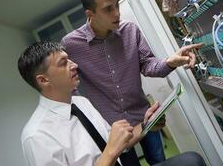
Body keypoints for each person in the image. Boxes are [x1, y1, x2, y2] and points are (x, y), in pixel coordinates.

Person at [61, 0, 203, 165]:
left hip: (144, 118)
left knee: (159, 161)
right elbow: (71, 88)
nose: (117, 13)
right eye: (107, 9)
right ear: (90, 14)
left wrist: (170, 62)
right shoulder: (71, 45)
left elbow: (147, 65)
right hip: (112, 131)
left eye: (117, 5)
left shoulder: (130, 31)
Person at [18, 41, 205, 166]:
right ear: (43, 80)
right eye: (63, 63)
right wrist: (110, 152)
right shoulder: (37, 136)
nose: (74, 65)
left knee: (192, 160)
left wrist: (146, 125)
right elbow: (112, 148)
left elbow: (118, 142)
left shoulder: (81, 103)